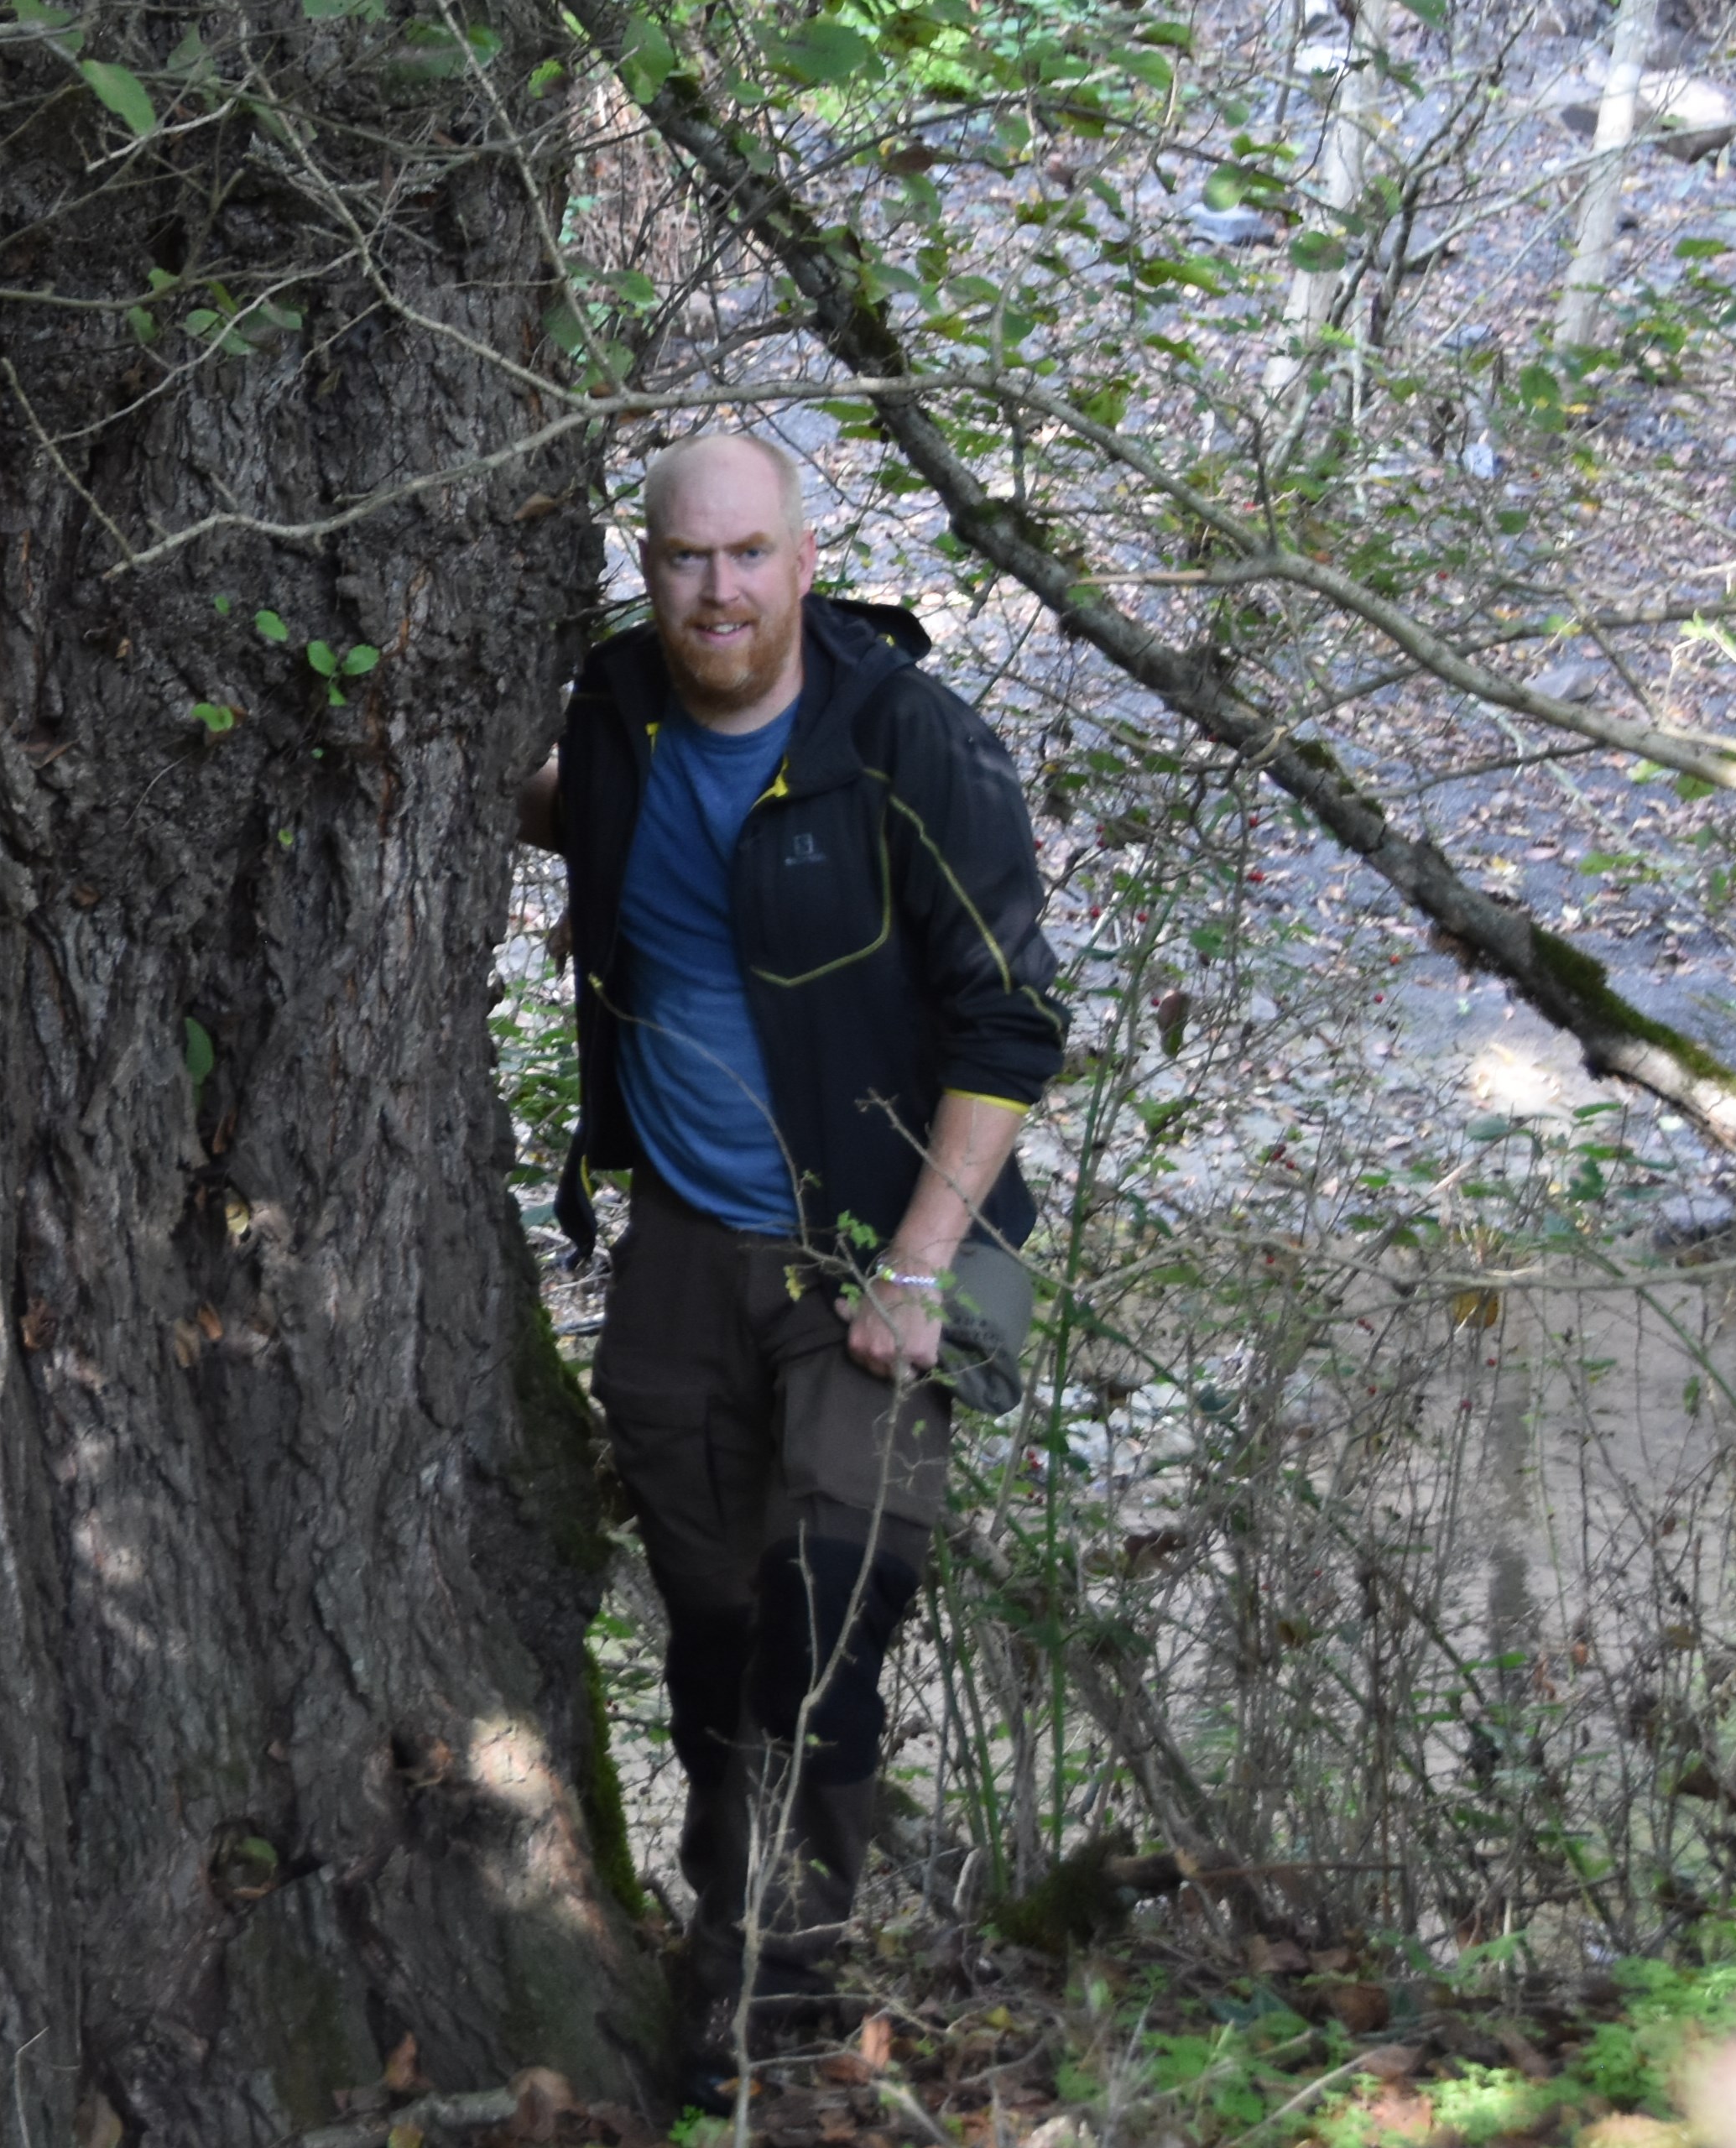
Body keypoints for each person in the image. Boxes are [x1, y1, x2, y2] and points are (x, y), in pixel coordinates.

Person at [516, 434, 1064, 2095]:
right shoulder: (616, 714)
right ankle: (726, 1932)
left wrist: (913, 1269)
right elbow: (579, 820)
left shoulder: (903, 741)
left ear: (808, 560)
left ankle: (779, 2005)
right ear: (647, 567)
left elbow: (1012, 1017)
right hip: (687, 1246)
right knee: (710, 1636)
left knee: (829, 1628)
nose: (720, 591)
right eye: (688, 559)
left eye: (751, 554)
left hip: (885, 1248)